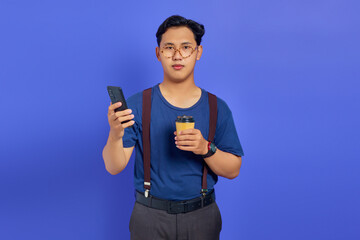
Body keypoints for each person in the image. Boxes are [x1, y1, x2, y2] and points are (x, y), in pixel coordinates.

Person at [102, 15, 244, 240]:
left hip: (202, 215)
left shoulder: (217, 107)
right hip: (149, 216)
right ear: (158, 53)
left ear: (198, 52)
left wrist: (206, 148)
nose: (177, 55)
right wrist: (115, 133)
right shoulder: (138, 104)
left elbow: (233, 169)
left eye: (186, 47)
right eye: (169, 47)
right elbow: (113, 166)